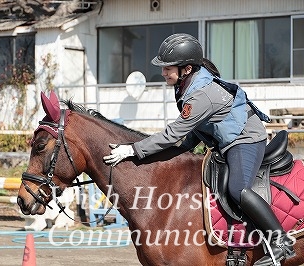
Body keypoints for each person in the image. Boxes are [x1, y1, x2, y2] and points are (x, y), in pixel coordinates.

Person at [103, 33, 295, 266]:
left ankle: (281, 242)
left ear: (186, 68)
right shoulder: (186, 86)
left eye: (167, 68)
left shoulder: (201, 94)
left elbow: (173, 133)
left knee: (237, 189)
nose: (163, 73)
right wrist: (154, 157)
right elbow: (189, 137)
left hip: (245, 139)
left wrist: (133, 149)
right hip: (223, 139)